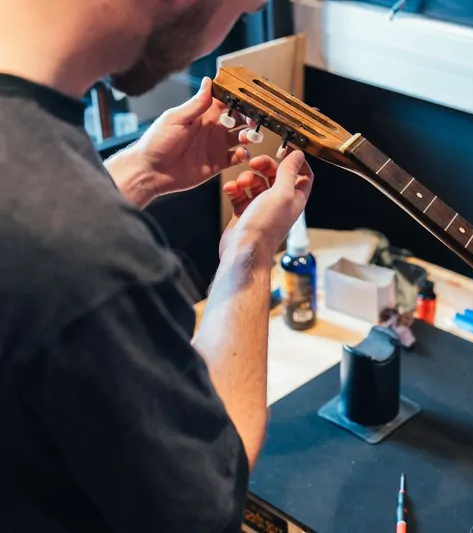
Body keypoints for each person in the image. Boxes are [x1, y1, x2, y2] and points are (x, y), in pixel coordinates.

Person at [0, 1, 314, 531]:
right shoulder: (90, 258)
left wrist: (137, 173)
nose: (258, 5)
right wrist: (251, 251)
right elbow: (207, 487)